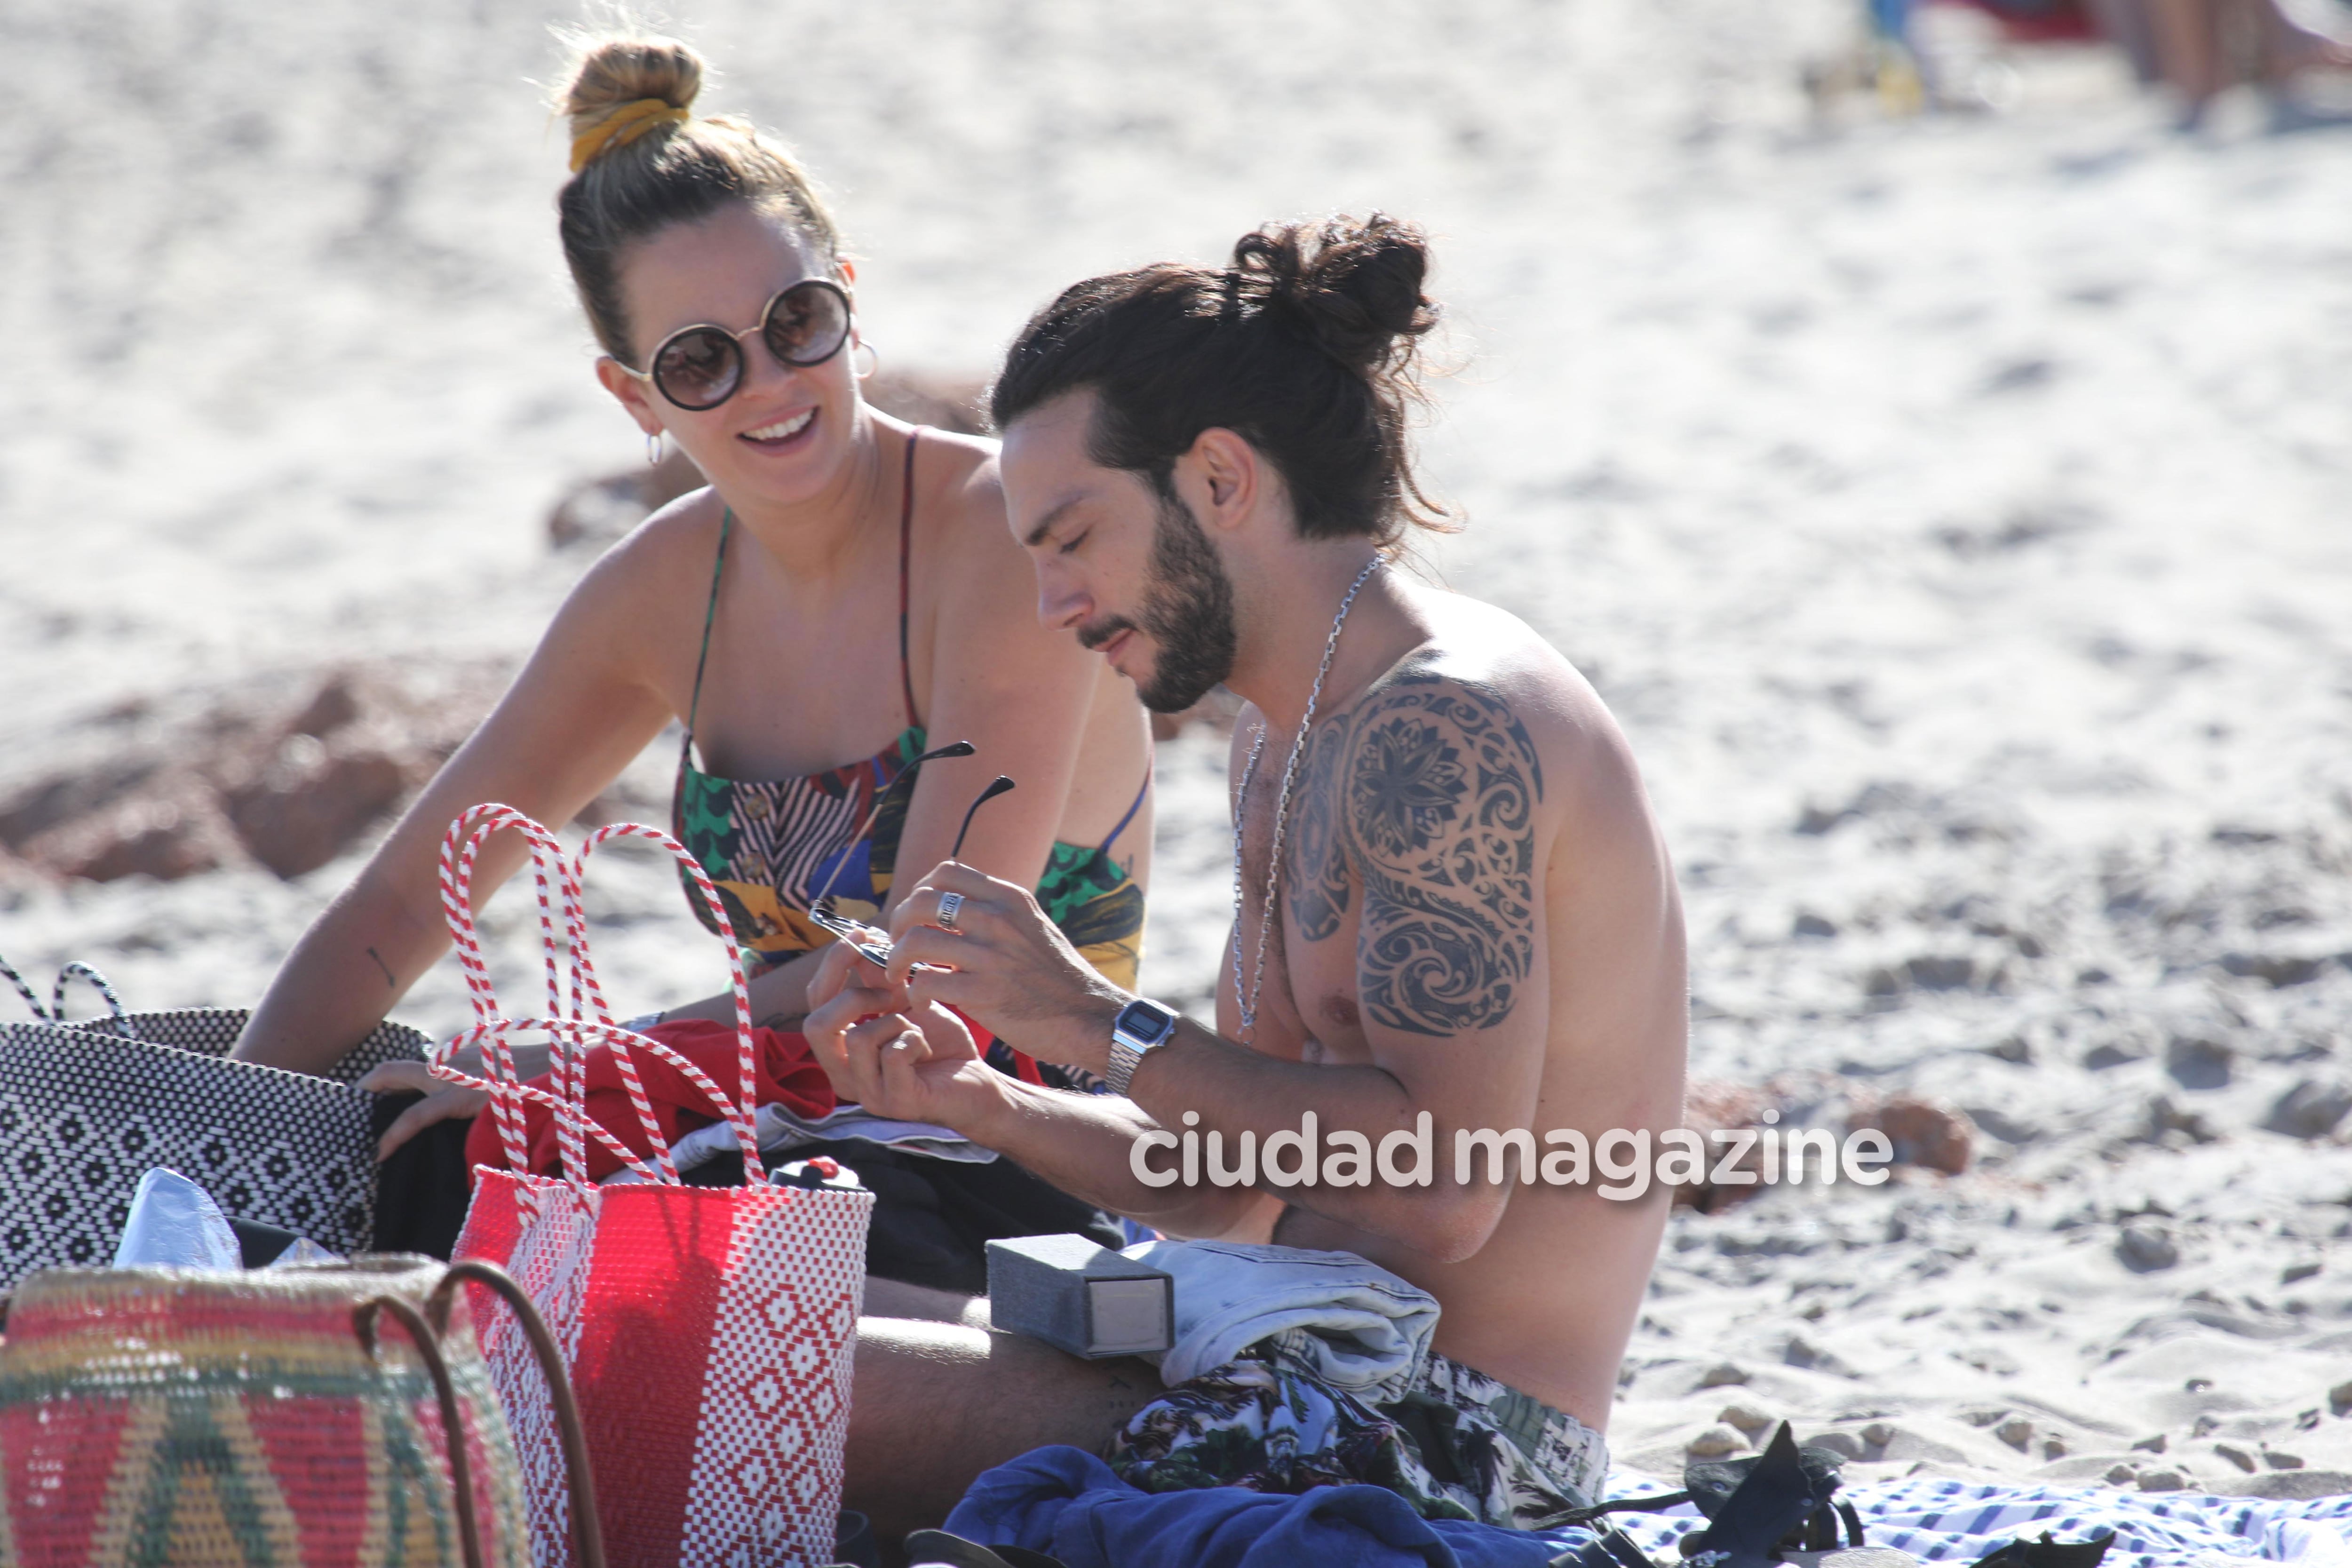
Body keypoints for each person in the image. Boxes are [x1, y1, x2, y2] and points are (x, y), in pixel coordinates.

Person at [810, 216, 1688, 1539]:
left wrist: (1097, 1021)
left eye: (1072, 536)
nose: (1052, 601)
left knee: (762, 1380)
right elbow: (1236, 1180)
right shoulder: (1285, 733)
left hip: (1456, 1435)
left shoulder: (1440, 728)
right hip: (1272, 1349)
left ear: (1219, 476)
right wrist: (982, 1096)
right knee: (749, 1308)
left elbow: (1450, 1188)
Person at [229, 33, 1154, 1173]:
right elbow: (407, 906)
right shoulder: (658, 590)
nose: (767, 381)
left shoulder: (999, 542)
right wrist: (231, 1131)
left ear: (849, 303)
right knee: (411, 1151)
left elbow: (924, 973)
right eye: (700, 361)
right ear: (632, 396)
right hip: (765, 1119)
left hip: (1006, 1137)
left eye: (796, 323)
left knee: (492, 1149)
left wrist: (588, 1055)